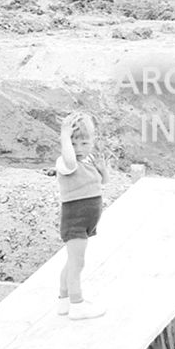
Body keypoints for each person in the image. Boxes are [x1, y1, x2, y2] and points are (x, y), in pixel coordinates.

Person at [56, 111, 110, 321]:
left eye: (84, 143)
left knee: (72, 262)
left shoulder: (88, 161)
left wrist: (102, 170)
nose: (79, 149)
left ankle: (64, 300)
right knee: (78, 263)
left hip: (86, 220)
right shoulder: (65, 162)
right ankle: (76, 304)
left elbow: (103, 183)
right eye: (73, 143)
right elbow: (70, 160)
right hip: (75, 221)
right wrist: (64, 135)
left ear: (92, 142)